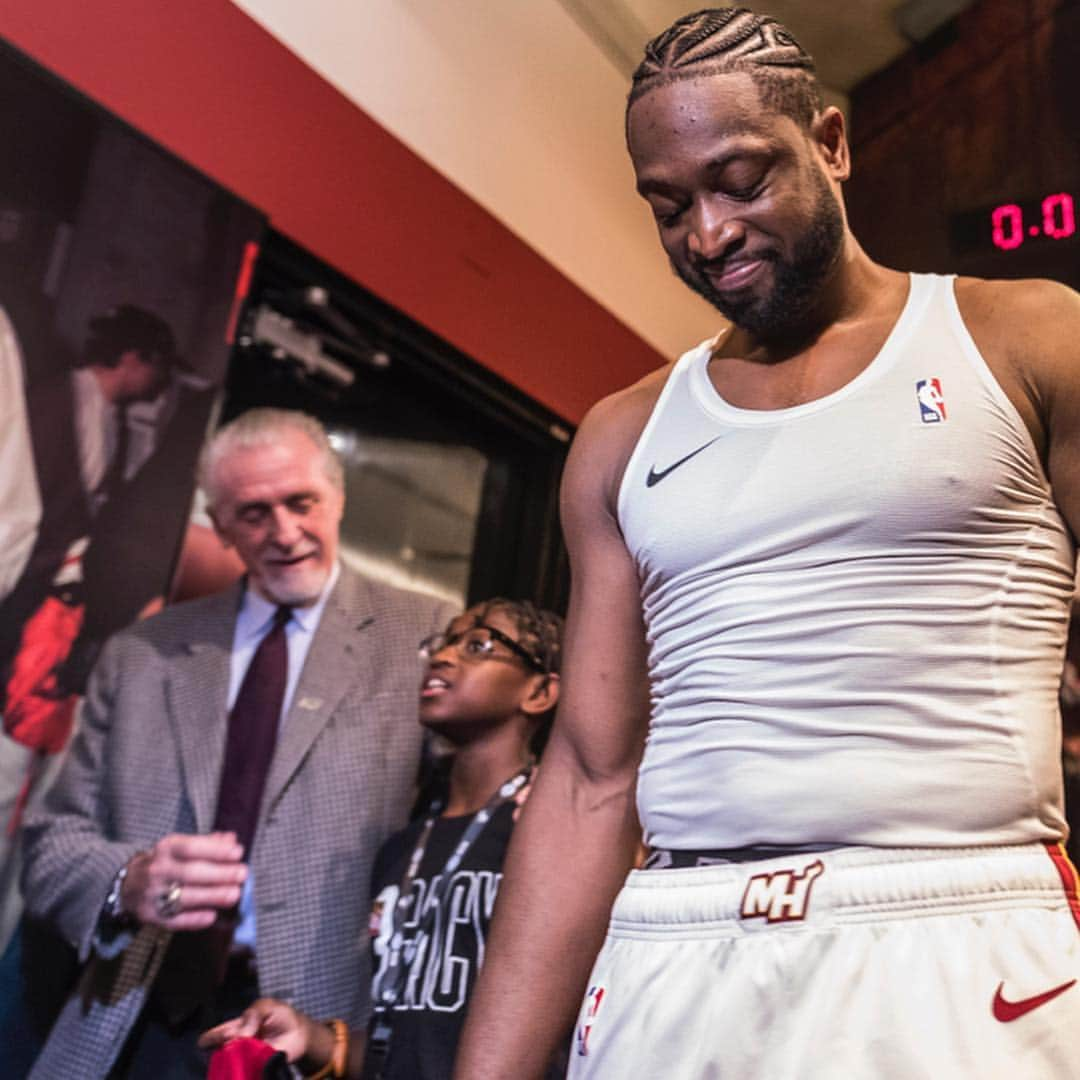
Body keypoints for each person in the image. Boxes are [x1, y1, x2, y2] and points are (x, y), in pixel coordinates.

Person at [454, 8, 1080, 1079]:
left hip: (952, 919)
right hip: (675, 938)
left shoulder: (1023, 338)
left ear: (832, 146)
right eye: (668, 206)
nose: (707, 233)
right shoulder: (622, 435)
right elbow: (591, 781)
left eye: (741, 180)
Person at [19, 407, 453, 1079]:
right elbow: (50, 844)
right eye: (253, 513)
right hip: (133, 1020)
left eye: (301, 502)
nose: (285, 533)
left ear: (337, 498)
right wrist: (126, 882)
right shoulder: (144, 654)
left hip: (313, 1026)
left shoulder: (425, 637)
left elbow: (468, 832)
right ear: (220, 525)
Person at [199, 598, 565, 1079]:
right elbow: (401, 1043)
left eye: (478, 645)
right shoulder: (403, 849)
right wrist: (313, 1039)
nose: (444, 656)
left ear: (539, 692)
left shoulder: (545, 827)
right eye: (444, 641)